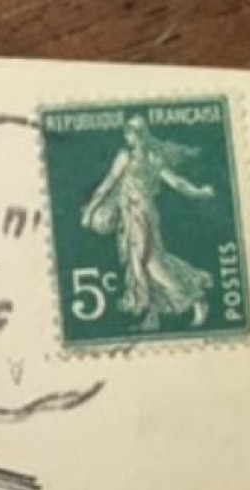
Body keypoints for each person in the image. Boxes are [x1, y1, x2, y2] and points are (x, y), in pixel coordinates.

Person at [80, 115, 217, 332]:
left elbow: (176, 182)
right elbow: (107, 185)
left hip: (144, 215)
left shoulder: (153, 158)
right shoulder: (125, 157)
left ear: (141, 135)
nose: (129, 137)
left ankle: (195, 299)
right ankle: (151, 317)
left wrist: (198, 192)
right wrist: (90, 211)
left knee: (149, 264)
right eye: (129, 133)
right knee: (139, 265)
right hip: (129, 215)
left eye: (133, 133)